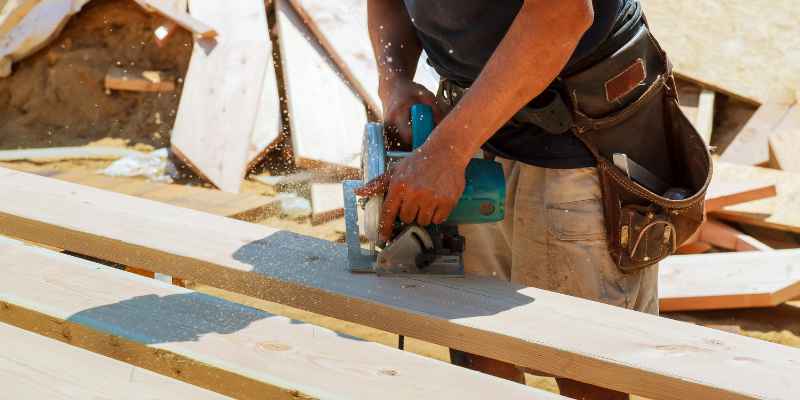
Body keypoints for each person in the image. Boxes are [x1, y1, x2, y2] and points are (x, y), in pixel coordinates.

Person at [358, 1, 678, 399]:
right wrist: (394, 81)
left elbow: (562, 15)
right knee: (475, 341)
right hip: (469, 116)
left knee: (583, 359)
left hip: (578, 128)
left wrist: (446, 152)